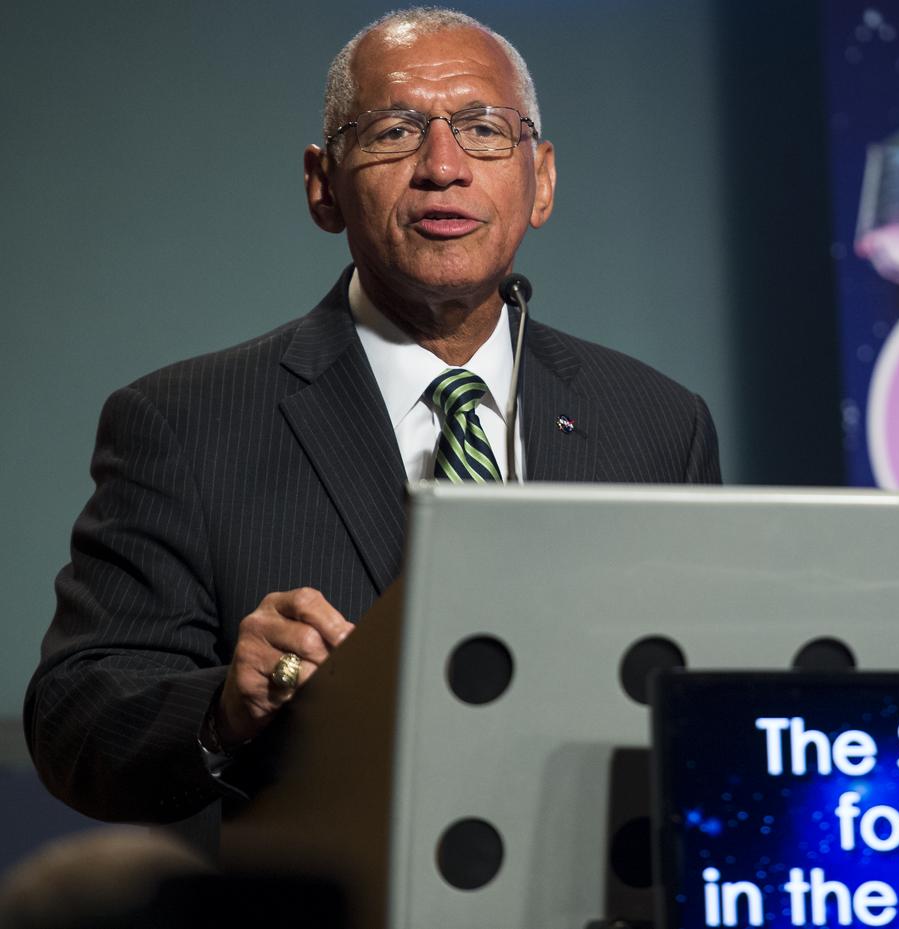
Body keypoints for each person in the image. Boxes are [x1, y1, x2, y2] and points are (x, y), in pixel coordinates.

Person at [26, 6, 720, 828]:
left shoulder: (659, 424)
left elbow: (712, 710)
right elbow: (78, 724)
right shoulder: (181, 423)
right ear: (324, 185)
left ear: (544, 181)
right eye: (395, 130)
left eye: (484, 129)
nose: (443, 166)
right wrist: (225, 705)